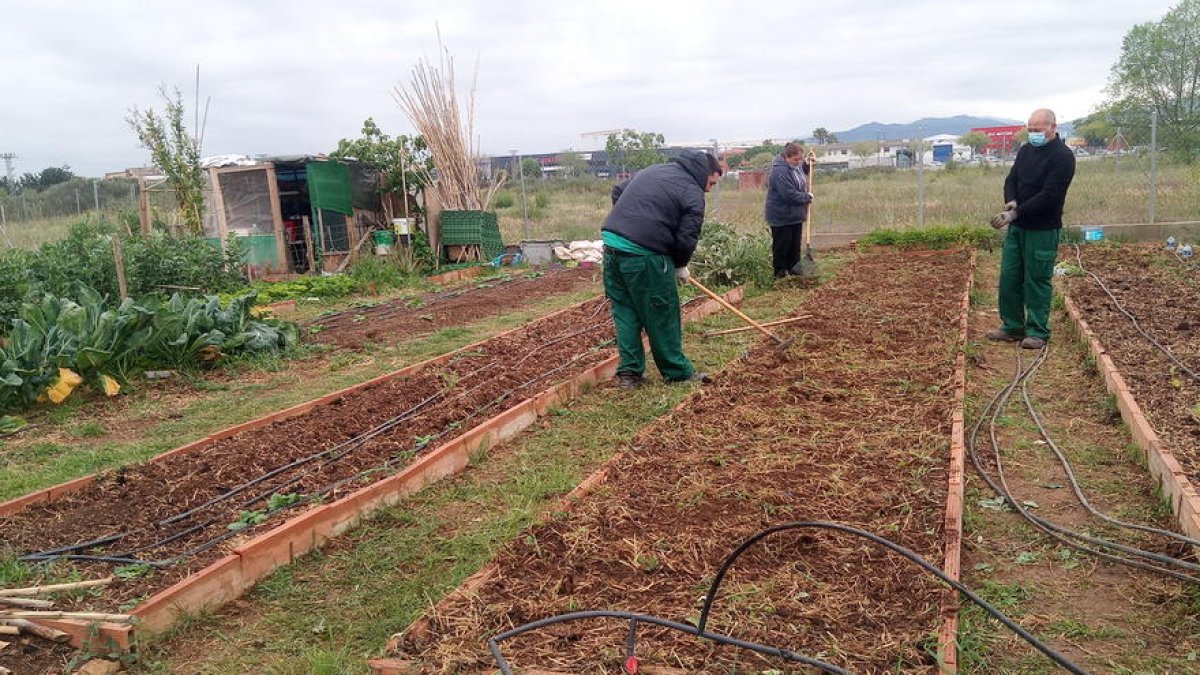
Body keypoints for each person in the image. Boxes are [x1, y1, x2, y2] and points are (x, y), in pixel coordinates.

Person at [600, 150, 723, 390]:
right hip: (645, 257)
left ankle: (629, 375)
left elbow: (618, 191)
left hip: (612, 247)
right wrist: (680, 265)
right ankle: (677, 372)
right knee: (663, 313)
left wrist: (632, 223)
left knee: (626, 313)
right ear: (703, 173)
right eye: (711, 183)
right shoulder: (692, 193)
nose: (709, 189)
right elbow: (687, 237)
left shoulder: (655, 170)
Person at [986, 108, 1076, 350]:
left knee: (1037, 278)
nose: (1033, 134)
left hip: (1043, 229)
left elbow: (1050, 195)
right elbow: (1011, 179)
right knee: (1009, 277)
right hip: (1018, 227)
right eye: (1030, 129)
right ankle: (1012, 326)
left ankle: (1037, 330)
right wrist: (1011, 201)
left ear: (1053, 128)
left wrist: (1016, 213)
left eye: (1038, 130)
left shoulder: (1063, 157)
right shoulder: (1026, 151)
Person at [764, 142, 815, 278]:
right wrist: (806, 197)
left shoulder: (795, 166)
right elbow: (788, 194)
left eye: (800, 159)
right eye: (796, 160)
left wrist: (807, 165)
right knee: (782, 246)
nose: (798, 162)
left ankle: (794, 270)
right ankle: (780, 274)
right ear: (786, 157)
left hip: (794, 214)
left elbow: (799, 173)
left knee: (794, 245)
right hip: (781, 215)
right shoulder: (779, 171)